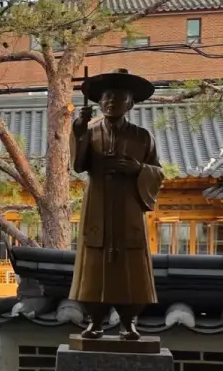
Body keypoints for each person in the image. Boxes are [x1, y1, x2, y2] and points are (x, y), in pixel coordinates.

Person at [70, 69, 163, 340]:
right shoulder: (89, 132)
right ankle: (95, 321)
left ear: (130, 104)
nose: (111, 102)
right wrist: (78, 132)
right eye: (107, 97)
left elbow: (158, 172)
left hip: (128, 207)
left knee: (131, 265)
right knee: (93, 263)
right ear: (99, 102)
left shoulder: (142, 136)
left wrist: (138, 169)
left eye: (119, 97)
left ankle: (129, 321)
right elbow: (78, 166)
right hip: (98, 203)